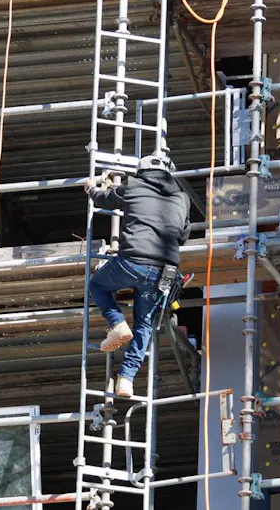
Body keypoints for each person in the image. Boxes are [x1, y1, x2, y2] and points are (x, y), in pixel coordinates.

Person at [84, 152, 191, 399]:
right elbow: (183, 235)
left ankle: (117, 323)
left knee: (98, 285)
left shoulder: (133, 185)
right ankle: (127, 380)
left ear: (142, 171)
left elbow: (105, 200)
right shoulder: (182, 198)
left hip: (133, 262)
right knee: (145, 323)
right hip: (166, 271)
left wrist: (91, 188)